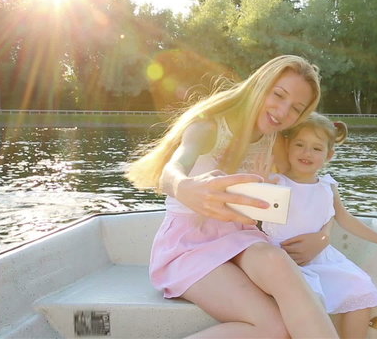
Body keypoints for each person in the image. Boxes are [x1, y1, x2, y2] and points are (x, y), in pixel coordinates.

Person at [127, 55, 338, 338]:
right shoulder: (209, 126)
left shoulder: (273, 140)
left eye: (296, 109)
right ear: (261, 84)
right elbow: (172, 170)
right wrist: (184, 187)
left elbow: (316, 189)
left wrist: (324, 236)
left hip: (242, 239)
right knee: (274, 329)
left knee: (277, 262)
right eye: (278, 95)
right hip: (190, 246)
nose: (282, 111)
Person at [262, 112, 377, 339]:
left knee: (359, 286)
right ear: (287, 146)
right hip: (285, 259)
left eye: (316, 148)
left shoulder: (328, 187)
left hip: (322, 258)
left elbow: (346, 219)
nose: (306, 153)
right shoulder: (276, 182)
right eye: (299, 144)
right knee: (308, 299)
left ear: (329, 155)